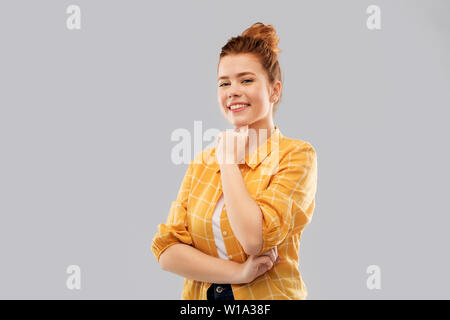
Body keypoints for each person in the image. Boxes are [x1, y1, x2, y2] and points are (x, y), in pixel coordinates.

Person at [151, 22, 318, 300]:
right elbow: (167, 251)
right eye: (224, 83)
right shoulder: (202, 163)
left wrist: (228, 163)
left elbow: (254, 239)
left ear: (274, 90)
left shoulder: (296, 156)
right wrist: (239, 274)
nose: (233, 91)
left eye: (247, 80)